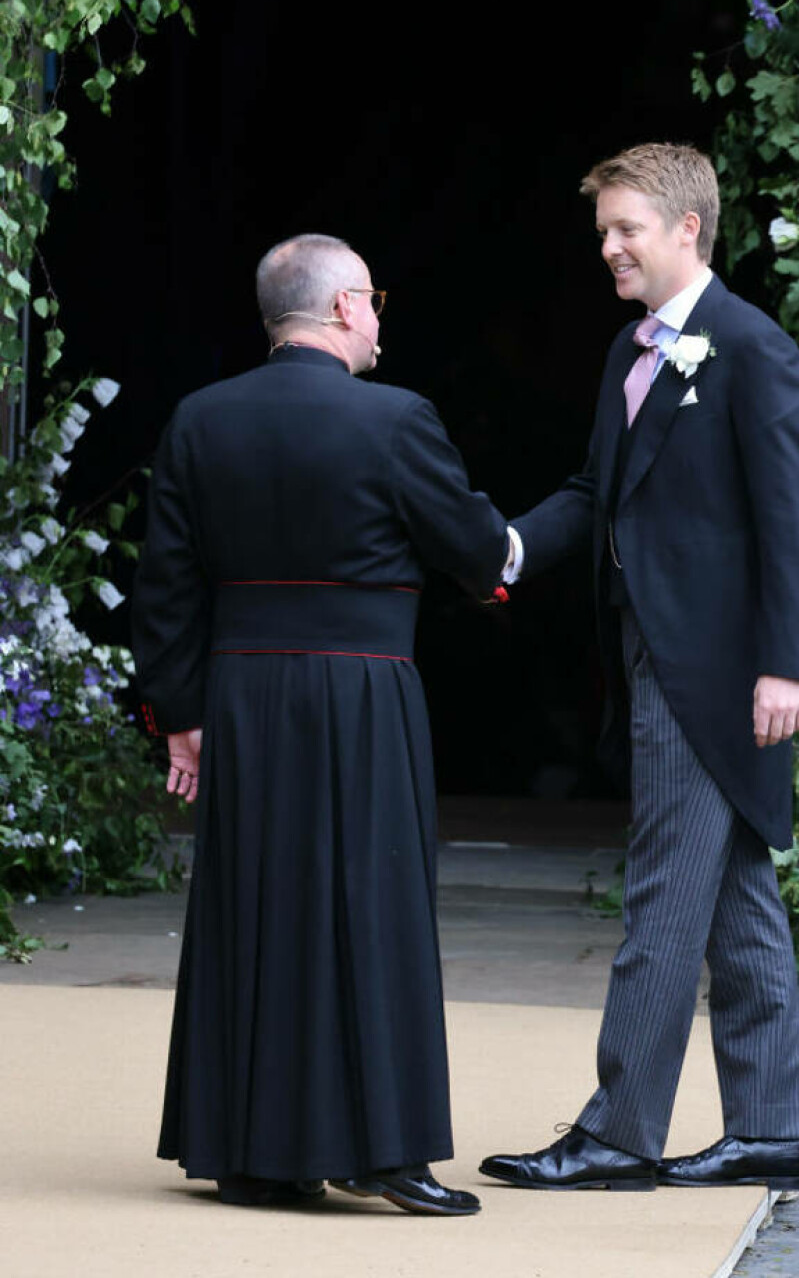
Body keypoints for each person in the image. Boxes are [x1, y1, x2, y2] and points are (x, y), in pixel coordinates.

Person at [133, 233, 512, 1216]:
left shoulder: (199, 419)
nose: (379, 318)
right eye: (374, 300)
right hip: (359, 688)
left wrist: (179, 715)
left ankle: (253, 1151)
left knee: (254, 907)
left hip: (241, 693)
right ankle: (384, 1150)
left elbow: (166, 584)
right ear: (345, 307)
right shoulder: (396, 419)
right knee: (371, 907)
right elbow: (477, 553)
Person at [481, 142, 799, 1195]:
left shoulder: (750, 348)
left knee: (665, 894)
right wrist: (505, 548)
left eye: (626, 228)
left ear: (688, 229)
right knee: (735, 894)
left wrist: (784, 667)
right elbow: (597, 491)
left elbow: (792, 517)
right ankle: (770, 1128)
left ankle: (618, 1134)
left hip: (712, 670)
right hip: (656, 654)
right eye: (602, 233)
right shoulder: (629, 350)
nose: (609, 249)